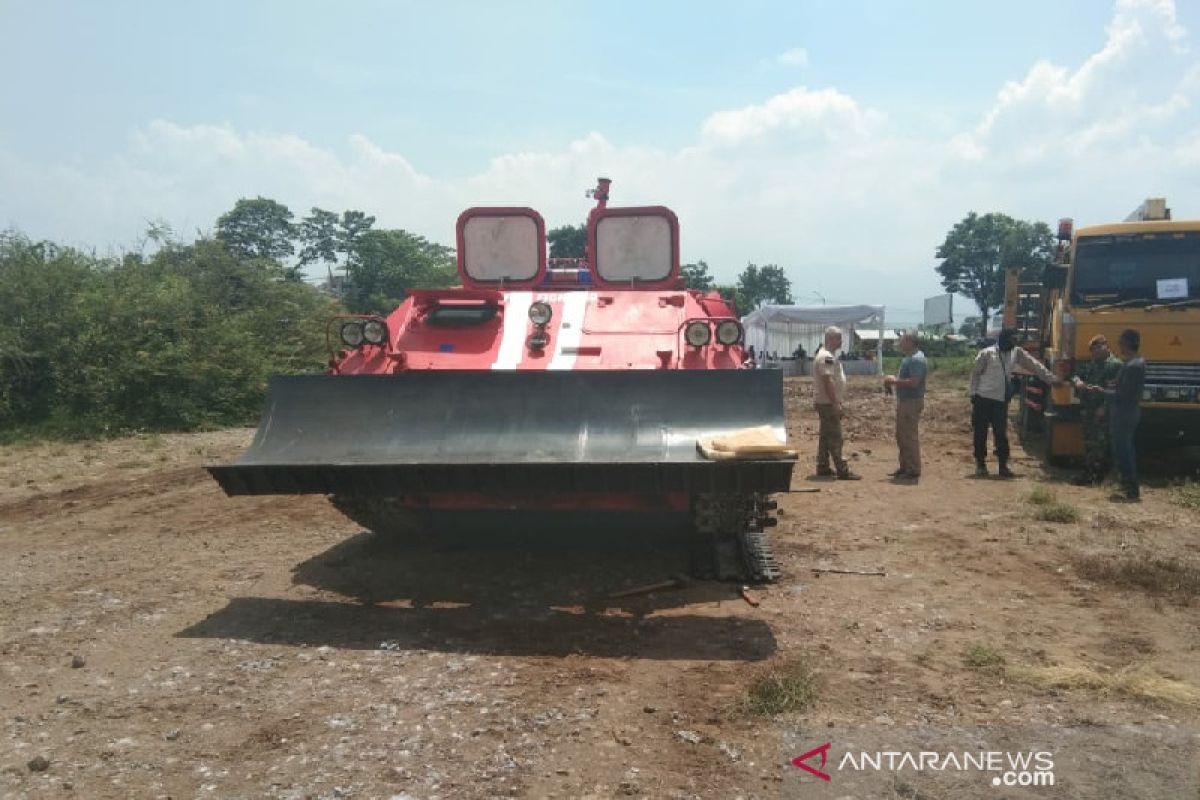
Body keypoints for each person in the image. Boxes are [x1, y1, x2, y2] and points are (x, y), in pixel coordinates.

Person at [968, 327, 1059, 478]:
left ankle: (1003, 466)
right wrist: (973, 394)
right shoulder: (986, 353)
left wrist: (1052, 380)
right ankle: (980, 464)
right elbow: (975, 374)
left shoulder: (1017, 352)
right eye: (1012, 339)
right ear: (1004, 339)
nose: (1014, 342)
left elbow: (1035, 366)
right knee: (980, 433)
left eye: (1016, 339)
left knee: (1001, 434)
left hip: (1000, 401)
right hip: (982, 398)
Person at [1091, 329, 1145, 501]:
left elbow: (1123, 395)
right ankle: (1127, 486)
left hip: (1124, 414)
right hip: (1126, 413)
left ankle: (1130, 489)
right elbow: (1125, 388)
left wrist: (1101, 391)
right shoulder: (1134, 363)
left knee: (1124, 452)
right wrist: (1116, 384)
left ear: (1128, 343)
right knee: (1124, 450)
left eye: (1121, 342)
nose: (1119, 345)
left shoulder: (1133, 366)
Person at [1070, 334, 1123, 485]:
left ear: (1107, 346)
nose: (1096, 352)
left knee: (1100, 444)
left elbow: (1115, 390)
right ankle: (1092, 474)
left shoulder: (1114, 365)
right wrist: (1078, 382)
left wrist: (1104, 408)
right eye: (1093, 349)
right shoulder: (1092, 364)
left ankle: (1095, 476)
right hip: (1089, 410)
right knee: (1090, 442)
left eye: (1099, 347)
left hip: (1104, 411)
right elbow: (1074, 375)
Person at [813, 326, 860, 480]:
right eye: (838, 338)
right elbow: (828, 381)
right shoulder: (826, 356)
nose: (841, 341)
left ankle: (823, 466)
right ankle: (842, 469)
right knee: (835, 436)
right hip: (828, 403)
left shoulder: (827, 355)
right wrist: (836, 403)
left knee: (826, 436)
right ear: (830, 339)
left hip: (825, 402)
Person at [882, 330, 927, 481]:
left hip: (911, 403)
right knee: (902, 435)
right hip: (906, 402)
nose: (900, 343)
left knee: (909, 436)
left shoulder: (916, 359)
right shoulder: (910, 358)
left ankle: (913, 469)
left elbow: (914, 382)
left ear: (909, 342)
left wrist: (893, 381)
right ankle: (905, 466)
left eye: (902, 340)